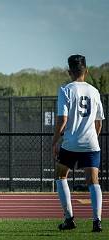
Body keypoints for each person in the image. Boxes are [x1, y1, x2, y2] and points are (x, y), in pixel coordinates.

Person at [52, 54, 105, 232]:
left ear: (69, 72)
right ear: (86, 71)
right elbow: (99, 122)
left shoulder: (65, 90)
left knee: (60, 175)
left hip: (70, 142)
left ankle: (69, 219)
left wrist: (54, 141)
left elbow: (62, 120)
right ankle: (97, 222)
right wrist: (92, 138)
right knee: (93, 181)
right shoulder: (94, 91)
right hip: (91, 143)